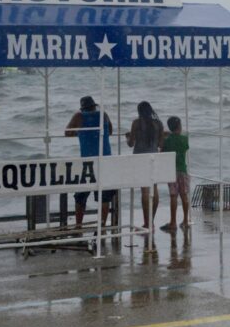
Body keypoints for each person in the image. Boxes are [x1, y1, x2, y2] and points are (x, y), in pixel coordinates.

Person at [64, 96, 116, 227]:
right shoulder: (103, 114)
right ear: (94, 106)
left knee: (81, 196)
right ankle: (102, 226)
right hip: (105, 159)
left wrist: (80, 133)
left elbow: (67, 132)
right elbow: (110, 131)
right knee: (104, 197)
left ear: (83, 108)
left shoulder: (79, 116)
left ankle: (78, 225)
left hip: (87, 161)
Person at [126, 101, 165, 229]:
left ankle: (146, 222)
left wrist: (128, 137)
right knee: (154, 189)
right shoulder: (158, 124)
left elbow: (131, 143)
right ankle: (151, 221)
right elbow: (160, 145)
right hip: (154, 158)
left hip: (140, 158)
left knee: (145, 191)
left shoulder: (136, 123)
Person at [161, 116, 190, 231]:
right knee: (184, 195)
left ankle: (173, 222)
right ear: (180, 126)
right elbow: (186, 147)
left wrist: (165, 136)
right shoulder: (184, 139)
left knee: (173, 196)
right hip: (183, 170)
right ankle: (185, 220)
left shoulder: (167, 141)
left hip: (172, 171)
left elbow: (162, 150)